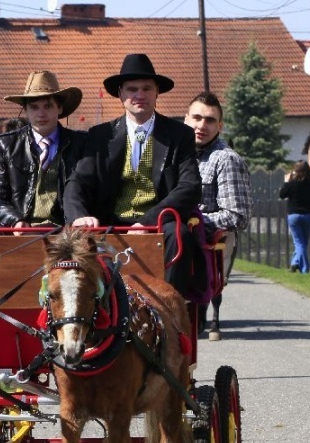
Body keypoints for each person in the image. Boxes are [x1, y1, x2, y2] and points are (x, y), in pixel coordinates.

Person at [63, 53, 204, 296]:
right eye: (132, 89)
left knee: (179, 234)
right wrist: (80, 216)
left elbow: (189, 186)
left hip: (159, 225)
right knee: (72, 241)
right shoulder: (99, 135)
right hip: (109, 222)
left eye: (146, 88)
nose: (139, 95)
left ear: (157, 91)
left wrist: (148, 221)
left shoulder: (180, 134)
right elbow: (77, 183)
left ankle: (171, 308)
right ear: (120, 94)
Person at [0, 71, 86, 234]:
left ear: (59, 108)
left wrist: (80, 217)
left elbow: (89, 190)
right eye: (34, 107)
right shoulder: (5, 144)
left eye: (48, 106)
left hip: (65, 229)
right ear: (25, 110)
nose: (41, 113)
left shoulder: (81, 144)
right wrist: (15, 220)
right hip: (17, 228)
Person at [184, 91, 252, 336]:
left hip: (205, 248)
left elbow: (237, 216)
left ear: (220, 126)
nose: (202, 125)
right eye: (197, 117)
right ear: (186, 119)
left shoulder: (226, 160)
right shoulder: (175, 153)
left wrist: (191, 223)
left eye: (210, 120)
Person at [279, 160, 310, 273]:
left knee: (299, 243)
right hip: (308, 215)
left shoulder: (292, 184)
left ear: (295, 171)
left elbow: (282, 195)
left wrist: (286, 181)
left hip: (294, 216)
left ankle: (301, 267)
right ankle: (298, 264)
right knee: (303, 242)